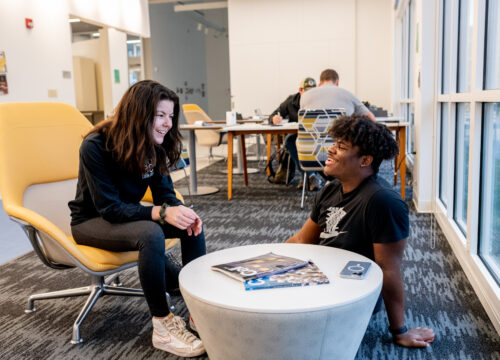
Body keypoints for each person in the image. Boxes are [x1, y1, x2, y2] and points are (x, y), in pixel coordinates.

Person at [68, 80, 206, 357]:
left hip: (124, 217)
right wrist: (160, 213)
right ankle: (163, 326)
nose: (168, 124)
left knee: (191, 227)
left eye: (170, 116)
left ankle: (199, 313)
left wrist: (180, 211)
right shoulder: (95, 146)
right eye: (160, 115)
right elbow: (110, 209)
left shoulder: (155, 144)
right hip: (91, 222)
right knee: (150, 233)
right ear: (139, 113)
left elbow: (165, 195)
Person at [286, 115, 435, 348]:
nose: (331, 150)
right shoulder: (330, 190)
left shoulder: (384, 202)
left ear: (365, 160)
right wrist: (269, 260)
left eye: (341, 147)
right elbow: (302, 239)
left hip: (349, 289)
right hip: (320, 272)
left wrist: (399, 331)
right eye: (334, 144)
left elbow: (389, 268)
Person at [268, 77, 323, 191]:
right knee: (289, 140)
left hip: (317, 137)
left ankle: (306, 176)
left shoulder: (320, 100)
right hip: (298, 137)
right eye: (307, 92)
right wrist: (274, 118)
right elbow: (273, 114)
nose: (310, 95)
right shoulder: (291, 100)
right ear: (300, 90)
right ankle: (310, 176)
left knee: (294, 141)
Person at [300, 69, 376, 121]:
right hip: (342, 143)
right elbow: (371, 118)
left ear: (319, 83)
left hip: (311, 143)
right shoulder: (348, 94)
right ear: (337, 82)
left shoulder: (305, 96)